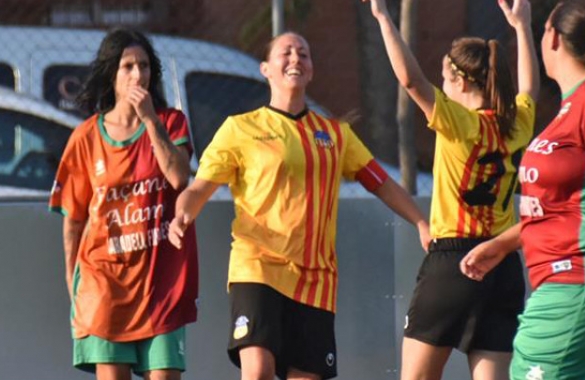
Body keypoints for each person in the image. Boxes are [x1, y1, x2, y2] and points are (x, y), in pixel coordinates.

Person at [167, 31, 431, 380]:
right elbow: (200, 187)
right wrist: (184, 211)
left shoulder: (335, 135)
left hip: (316, 278)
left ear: (311, 71)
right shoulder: (240, 129)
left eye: (304, 54)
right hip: (257, 266)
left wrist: (422, 222)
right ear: (265, 69)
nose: (295, 59)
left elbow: (380, 181)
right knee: (258, 370)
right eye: (286, 52)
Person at [460, 0, 585, 379]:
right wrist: (501, 245)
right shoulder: (575, 105)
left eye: (542, 29)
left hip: (580, 284)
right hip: (579, 285)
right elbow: (563, 205)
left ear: (552, 38)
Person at [364, 0, 539, 379]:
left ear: (459, 81)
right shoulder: (518, 124)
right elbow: (529, 88)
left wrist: (383, 17)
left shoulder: (459, 123)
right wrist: (523, 28)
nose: (441, 86)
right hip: (502, 263)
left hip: (455, 261)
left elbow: (410, 81)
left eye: (444, 78)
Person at [48, 28, 198, 380]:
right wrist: (73, 282)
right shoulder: (85, 137)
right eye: (128, 66)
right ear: (112, 74)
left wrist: (149, 118)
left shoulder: (171, 122)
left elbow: (179, 177)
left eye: (144, 66)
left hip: (161, 283)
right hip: (105, 285)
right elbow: (73, 220)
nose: (137, 75)